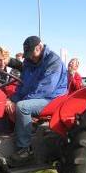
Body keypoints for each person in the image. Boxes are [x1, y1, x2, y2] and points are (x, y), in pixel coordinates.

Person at [6, 36, 67, 166]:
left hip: (52, 98)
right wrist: (12, 100)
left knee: (23, 107)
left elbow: (45, 88)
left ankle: (25, 150)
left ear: (39, 47)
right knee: (7, 103)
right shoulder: (29, 61)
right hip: (37, 95)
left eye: (31, 54)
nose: (30, 57)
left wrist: (19, 102)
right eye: (27, 55)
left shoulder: (53, 61)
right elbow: (23, 85)